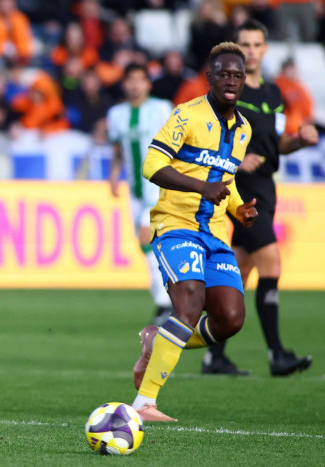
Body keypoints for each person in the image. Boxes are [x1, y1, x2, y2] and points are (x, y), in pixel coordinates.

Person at [130, 42, 258, 422]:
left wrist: (238, 209)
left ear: (244, 80)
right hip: (176, 225)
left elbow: (226, 180)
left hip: (215, 234)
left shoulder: (244, 129)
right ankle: (144, 403)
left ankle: (157, 339)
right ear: (209, 77)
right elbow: (151, 165)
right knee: (187, 305)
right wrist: (201, 188)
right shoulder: (186, 115)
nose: (231, 81)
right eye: (223, 74)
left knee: (230, 319)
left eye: (237, 75)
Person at [202, 19, 317, 376]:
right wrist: (235, 162)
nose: (251, 51)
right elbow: (208, 139)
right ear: (235, 49)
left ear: (265, 49)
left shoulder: (273, 94)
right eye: (245, 45)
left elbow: (277, 144)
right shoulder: (228, 93)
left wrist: (300, 141)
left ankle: (213, 356)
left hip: (266, 187)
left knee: (239, 270)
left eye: (256, 45)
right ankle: (277, 354)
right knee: (271, 264)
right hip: (240, 189)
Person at [107, 63, 173, 326]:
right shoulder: (116, 114)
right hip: (134, 189)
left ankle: (165, 302)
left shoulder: (162, 108)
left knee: (148, 239)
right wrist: (114, 174)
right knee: (148, 245)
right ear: (125, 84)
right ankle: (169, 298)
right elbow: (118, 150)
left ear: (148, 84)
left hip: (159, 186)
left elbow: (179, 142)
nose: (135, 85)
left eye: (140, 80)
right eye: (130, 80)